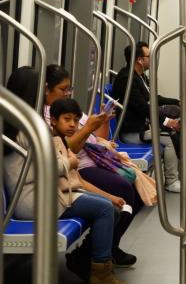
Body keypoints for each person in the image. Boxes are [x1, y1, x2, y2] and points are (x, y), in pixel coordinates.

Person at [4, 67, 124, 284]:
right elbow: (50, 165)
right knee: (106, 209)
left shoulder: (17, 125)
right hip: (33, 199)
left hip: (40, 191)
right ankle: (100, 274)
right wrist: (69, 161)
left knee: (112, 208)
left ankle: (86, 261)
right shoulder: (26, 129)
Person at [44, 65, 141, 267]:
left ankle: (107, 246)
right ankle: (96, 253)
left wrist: (101, 122)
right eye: (63, 89)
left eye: (69, 89)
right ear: (47, 89)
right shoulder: (49, 116)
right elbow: (64, 147)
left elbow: (98, 139)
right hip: (78, 169)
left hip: (92, 160)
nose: (67, 93)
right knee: (123, 190)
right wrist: (88, 127)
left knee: (134, 188)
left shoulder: (69, 109)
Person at [112, 42, 183, 193]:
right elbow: (142, 106)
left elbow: (152, 98)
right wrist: (166, 121)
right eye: (149, 56)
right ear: (139, 59)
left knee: (177, 128)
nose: (151, 59)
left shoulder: (140, 76)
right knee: (170, 139)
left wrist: (175, 101)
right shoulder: (127, 79)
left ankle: (182, 176)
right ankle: (171, 181)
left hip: (144, 125)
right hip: (133, 131)